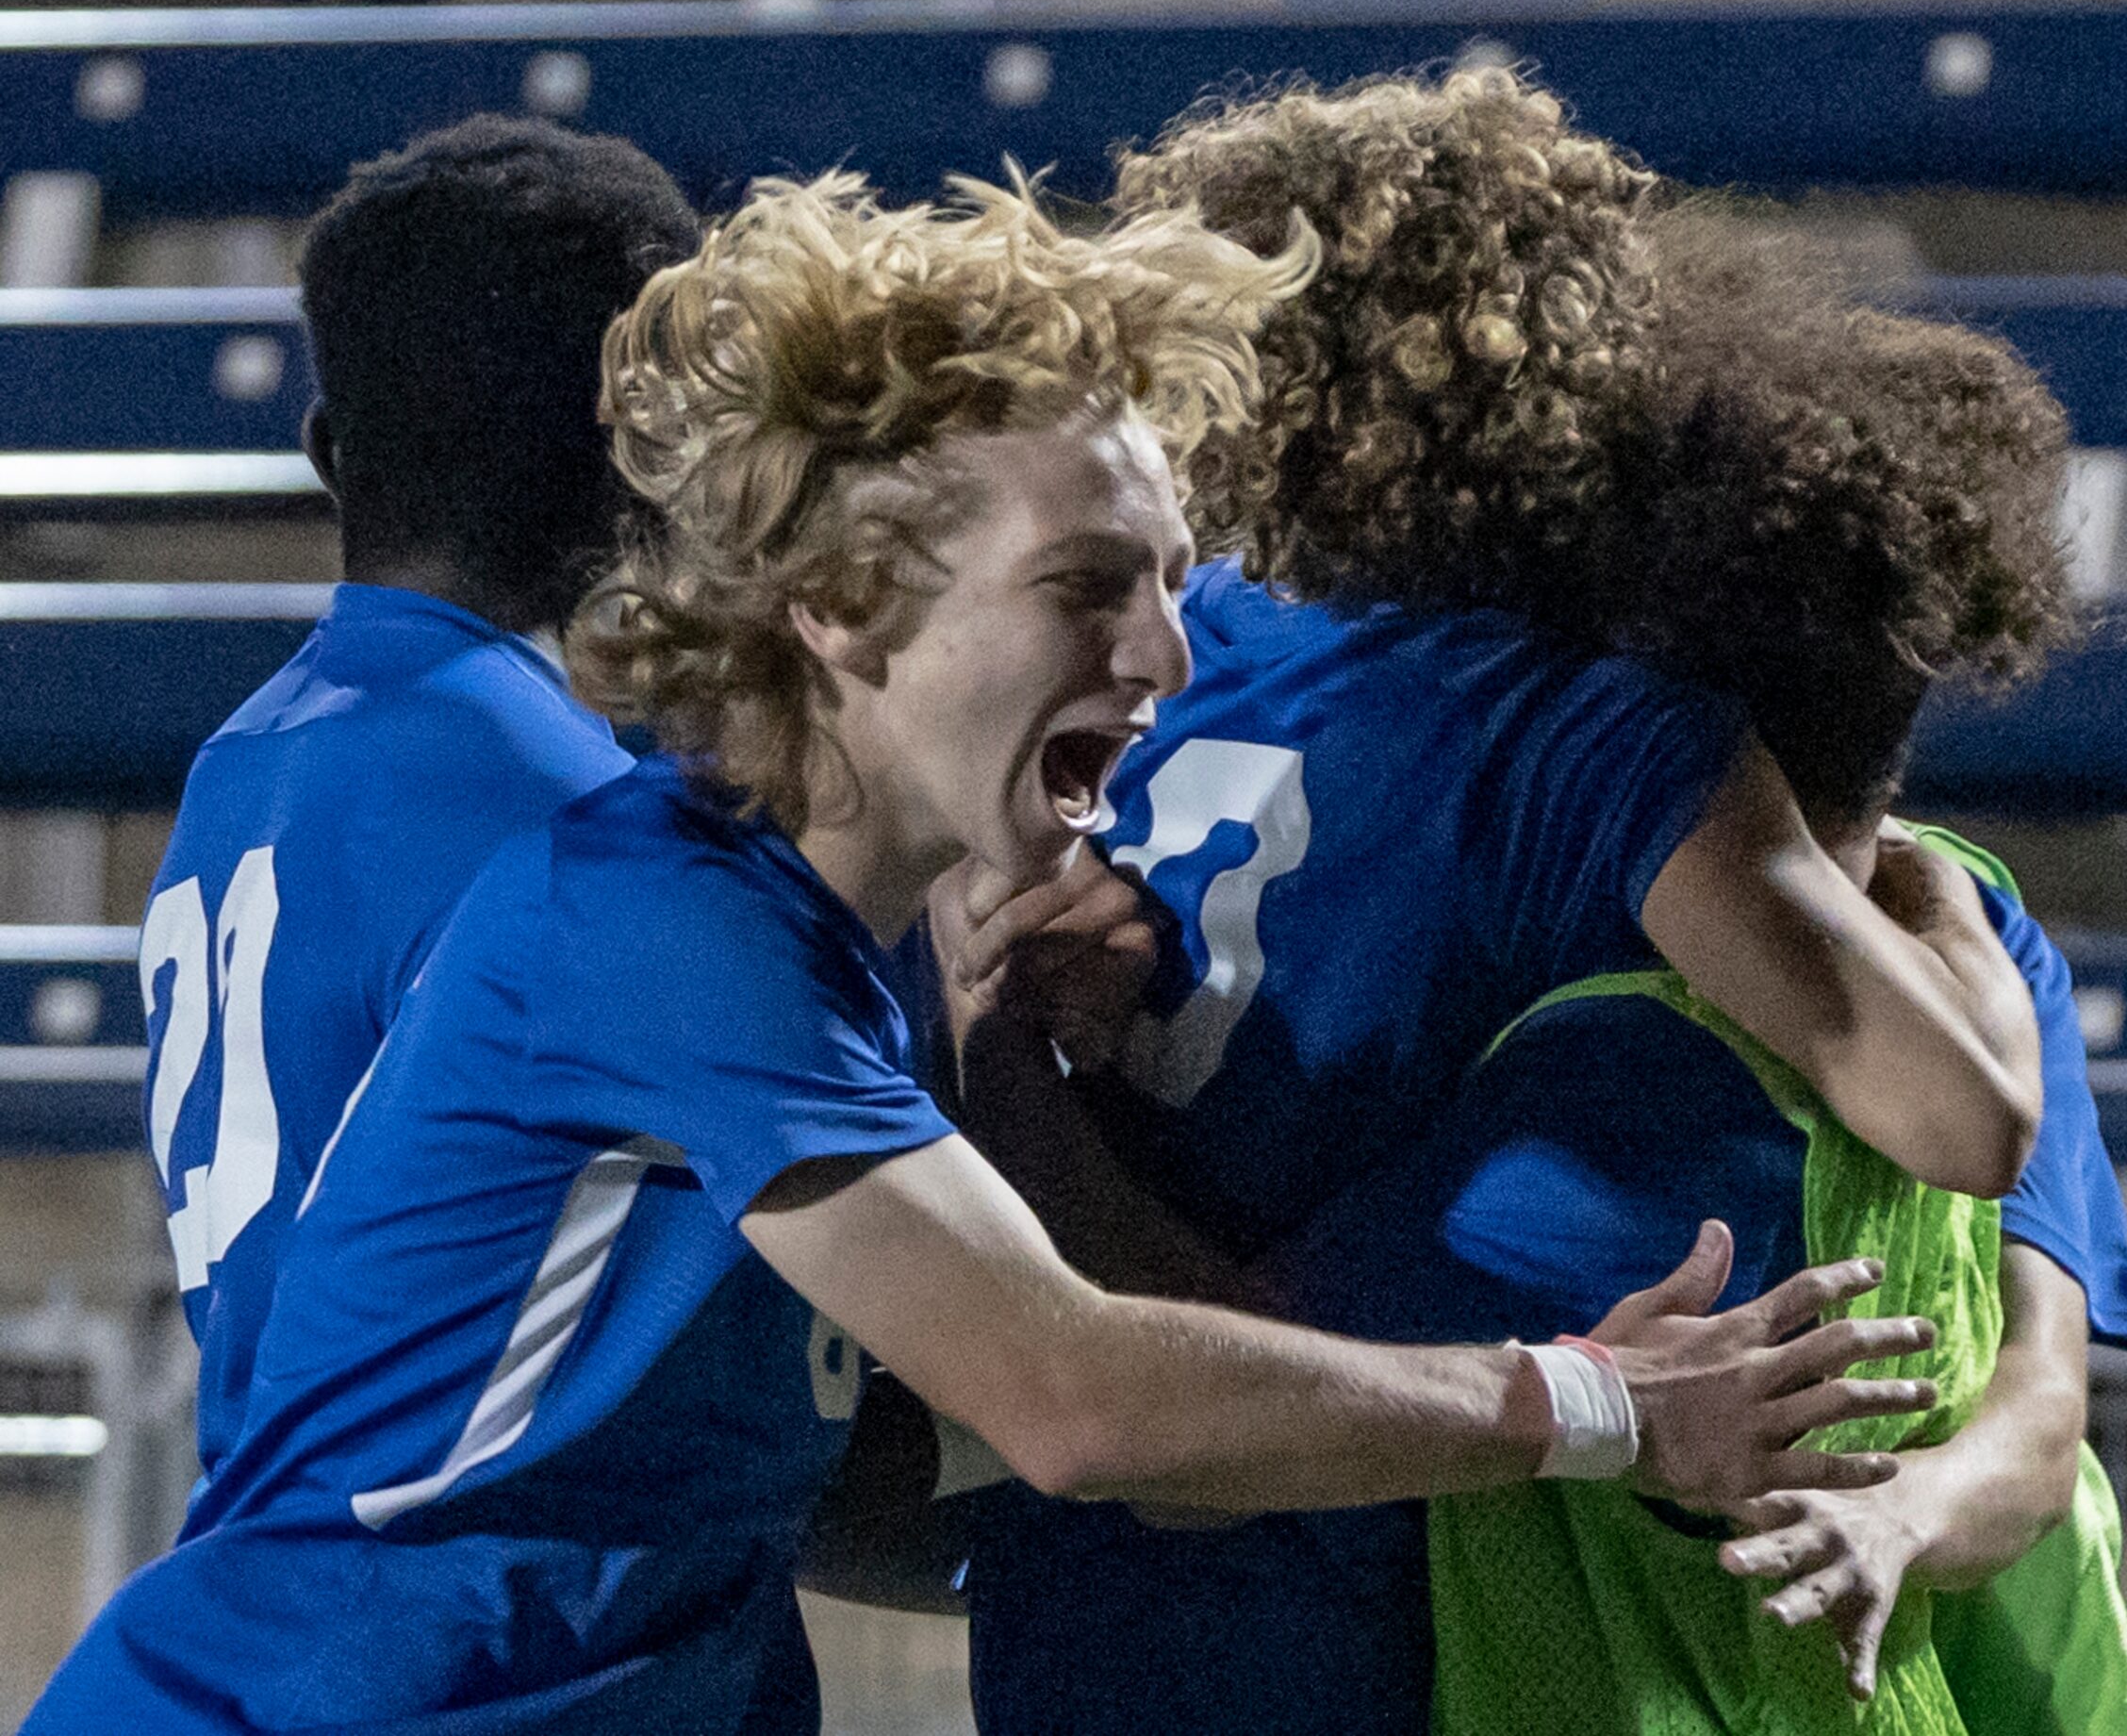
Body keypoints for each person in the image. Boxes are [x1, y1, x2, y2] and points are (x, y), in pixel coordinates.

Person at [26, 173, 1927, 1736]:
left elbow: (970, 1452)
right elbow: (1076, 1403)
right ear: (847, 606)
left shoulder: (824, 949)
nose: (1170, 657)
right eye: (1089, 585)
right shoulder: (655, 915)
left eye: (1177, 580)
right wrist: (1590, 1406)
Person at [946, 67, 2058, 1735]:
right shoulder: (1585, 731)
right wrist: (1935, 895)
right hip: (1307, 1576)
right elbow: (1960, 1112)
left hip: (1102, 1580)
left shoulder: (1167, 644)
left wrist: (1004, 1047)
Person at [1256, 214, 2127, 1731]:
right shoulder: (1989, 930)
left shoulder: (1612, 1071)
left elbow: (1235, 1384)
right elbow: (2044, 1420)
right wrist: (1908, 1516)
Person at [138, 114, 700, 1484]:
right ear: (656, 448)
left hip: (275, 1562)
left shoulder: (241, 762)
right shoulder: (563, 805)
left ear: (331, 452)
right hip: (492, 1629)